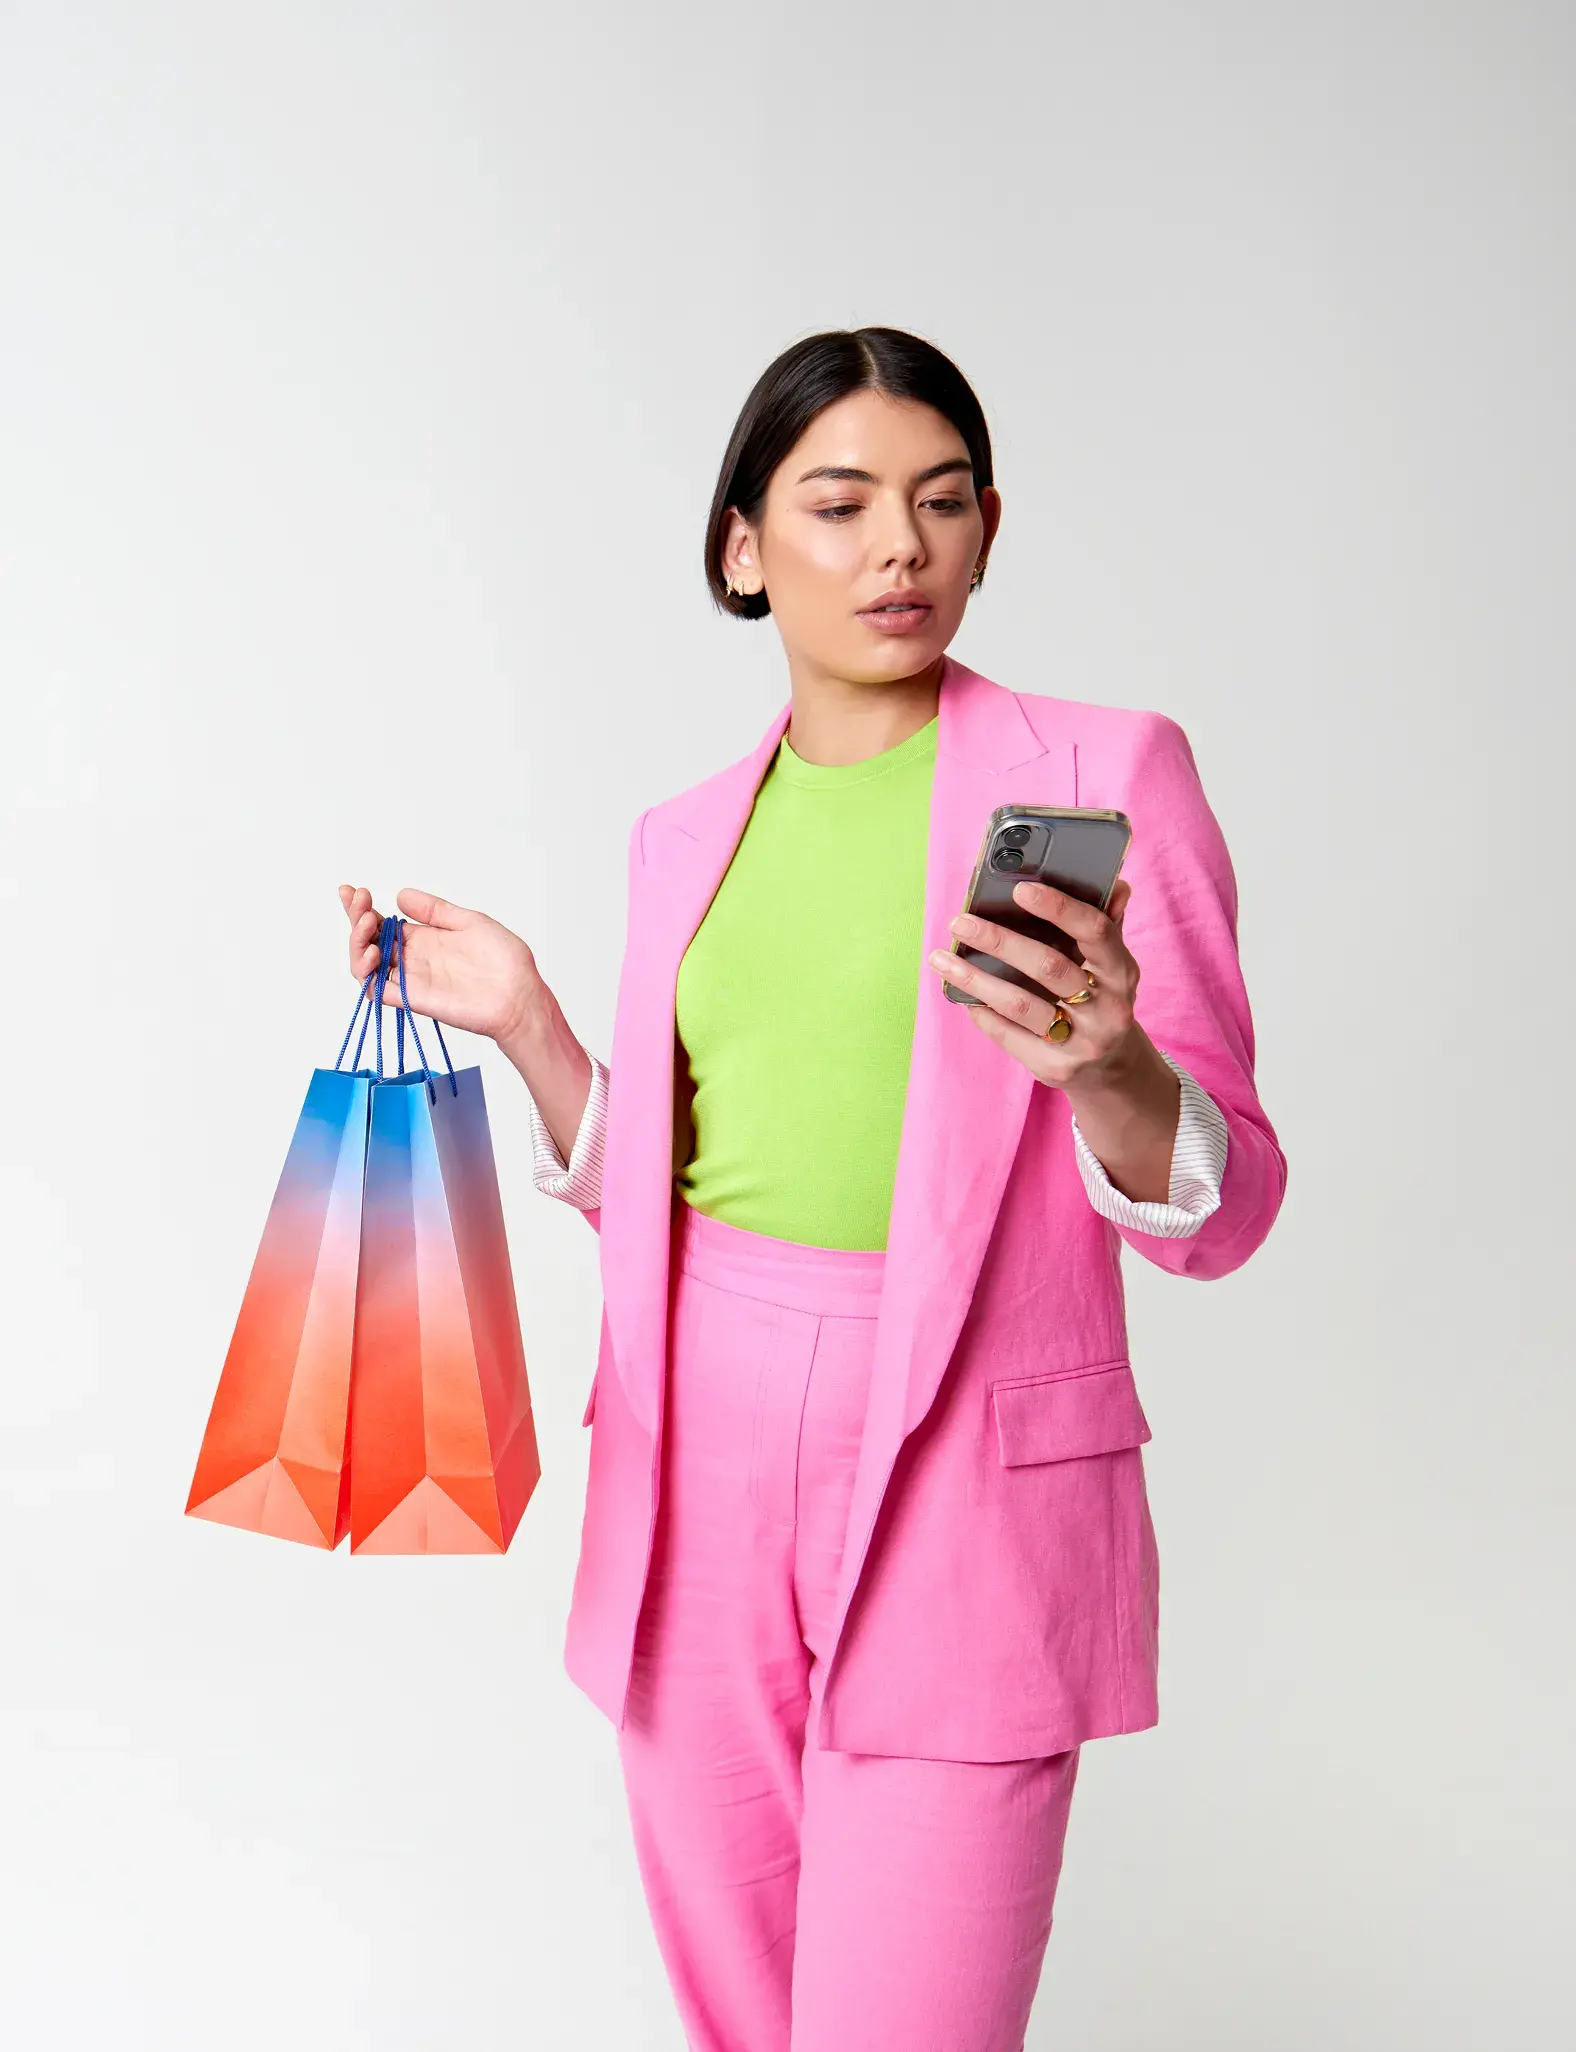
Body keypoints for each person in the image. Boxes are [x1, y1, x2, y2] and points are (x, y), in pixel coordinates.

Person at [338, 325, 1286, 2052]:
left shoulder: (1101, 777)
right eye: (838, 505)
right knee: (742, 2024)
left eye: (938, 504)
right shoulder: (684, 837)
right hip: (692, 1465)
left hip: (969, 1485)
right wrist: (531, 1023)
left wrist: (1111, 1065)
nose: (897, 550)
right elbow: (685, 1205)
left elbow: (1228, 1209)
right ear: (742, 546)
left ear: (991, 531)